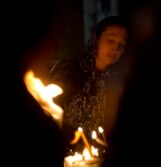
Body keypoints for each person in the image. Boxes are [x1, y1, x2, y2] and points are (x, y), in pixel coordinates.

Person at [45, 16, 130, 153]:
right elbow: (47, 112)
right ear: (96, 38)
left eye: (121, 45)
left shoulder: (120, 84)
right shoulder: (67, 70)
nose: (115, 48)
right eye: (111, 40)